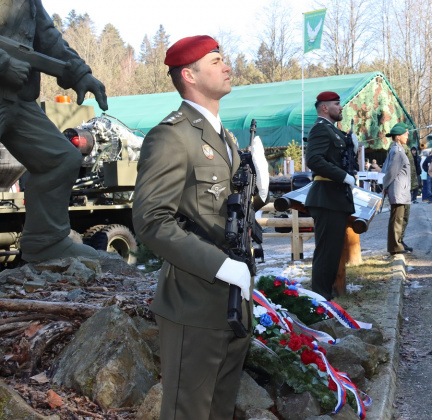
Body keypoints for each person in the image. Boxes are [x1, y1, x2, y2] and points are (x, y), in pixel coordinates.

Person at [132, 35, 268, 419]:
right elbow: (151, 220)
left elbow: (224, 213)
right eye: (216, 61)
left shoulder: (225, 138)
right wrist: (218, 265)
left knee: (220, 411)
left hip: (233, 301)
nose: (227, 67)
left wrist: (259, 189)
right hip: (193, 302)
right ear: (189, 75)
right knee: (188, 413)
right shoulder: (172, 136)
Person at [1, 0, 108, 262]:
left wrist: (81, 75)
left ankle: (46, 243)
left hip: (18, 99)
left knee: (60, 159)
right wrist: (3, 65)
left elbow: (48, 37)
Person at [304, 91, 356, 300]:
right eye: (337, 104)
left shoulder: (333, 131)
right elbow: (314, 160)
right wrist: (343, 176)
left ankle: (325, 298)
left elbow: (337, 158)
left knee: (333, 253)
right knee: (326, 253)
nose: (341, 107)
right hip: (326, 197)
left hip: (335, 198)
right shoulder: (320, 129)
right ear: (324, 107)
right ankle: (320, 300)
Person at [382, 123, 412, 255]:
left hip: (400, 190)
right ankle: (395, 247)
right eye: (405, 134)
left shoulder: (396, 149)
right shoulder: (397, 151)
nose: (407, 137)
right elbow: (391, 172)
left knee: (398, 218)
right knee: (397, 219)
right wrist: (385, 186)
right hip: (398, 190)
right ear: (398, 137)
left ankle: (397, 245)